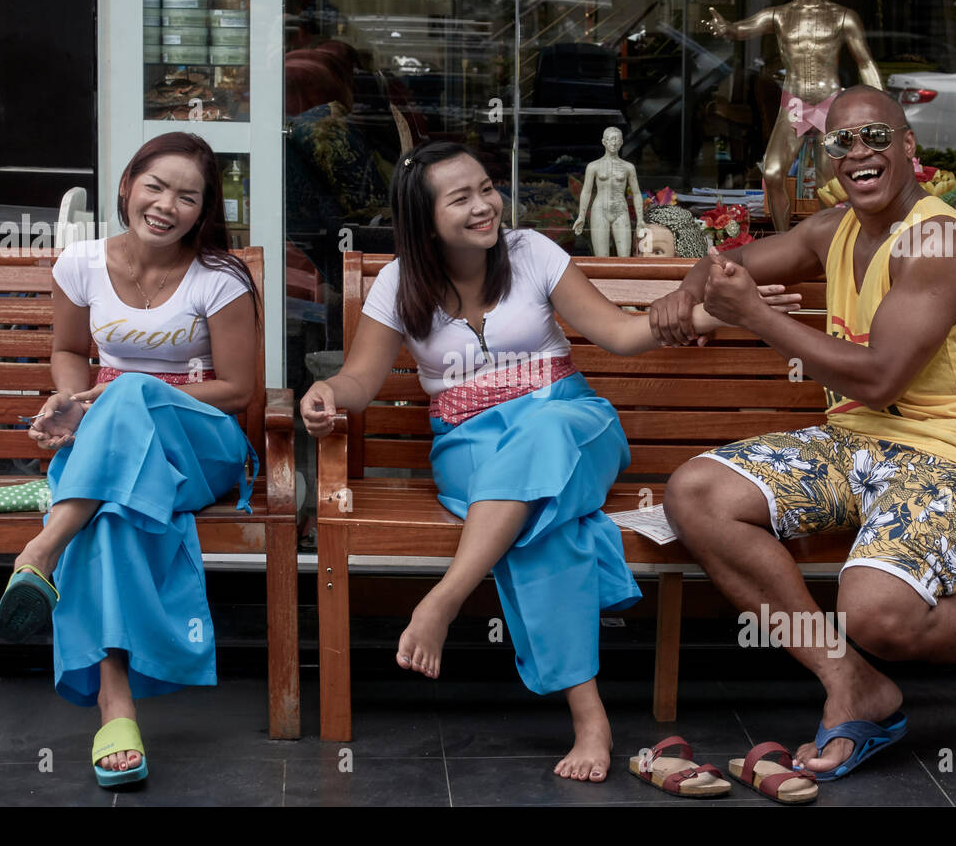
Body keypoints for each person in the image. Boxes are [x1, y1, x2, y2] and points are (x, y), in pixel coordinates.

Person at [301, 140, 799, 782]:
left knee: (544, 432)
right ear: (424, 218)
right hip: (470, 447)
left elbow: (619, 334)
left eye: (486, 188)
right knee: (545, 524)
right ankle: (589, 717)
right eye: (461, 198)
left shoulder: (533, 252)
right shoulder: (399, 282)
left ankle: (444, 600)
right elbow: (359, 382)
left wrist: (728, 311)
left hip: (573, 424)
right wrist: (325, 395)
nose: (485, 205)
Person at [654, 85, 956, 781]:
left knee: (878, 616)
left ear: (909, 149)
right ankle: (852, 684)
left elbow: (879, 379)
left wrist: (752, 315)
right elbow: (729, 265)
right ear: (825, 160)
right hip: (853, 444)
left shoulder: (939, 242)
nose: (858, 152)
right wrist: (689, 294)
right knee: (696, 493)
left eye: (876, 136)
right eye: (841, 142)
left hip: (951, 452)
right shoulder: (831, 229)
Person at [0, 132, 262, 788]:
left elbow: (239, 389)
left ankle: (44, 547)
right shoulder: (81, 264)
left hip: (202, 449)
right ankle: (117, 708)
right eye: (156, 186)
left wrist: (116, 394)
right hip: (114, 458)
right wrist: (70, 398)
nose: (167, 204)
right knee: (110, 513)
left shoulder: (219, 280)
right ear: (126, 187)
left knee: (130, 388)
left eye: (187, 196)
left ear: (203, 210)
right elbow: (67, 350)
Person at [705, 0, 882, 231]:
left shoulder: (843, 16)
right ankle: (786, 242)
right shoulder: (779, 15)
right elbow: (742, 29)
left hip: (830, 106)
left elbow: (865, 63)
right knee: (773, 173)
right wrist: (727, 28)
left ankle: (829, 245)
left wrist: (883, 106)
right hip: (795, 106)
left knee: (829, 185)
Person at [572, 127, 647, 257]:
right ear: (604, 142)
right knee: (601, 258)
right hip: (600, 210)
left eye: (617, 140)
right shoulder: (593, 166)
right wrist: (581, 216)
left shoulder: (628, 167)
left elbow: (636, 193)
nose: (614, 143)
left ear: (622, 142)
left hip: (621, 210)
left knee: (625, 257)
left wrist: (640, 219)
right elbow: (586, 191)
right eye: (611, 139)